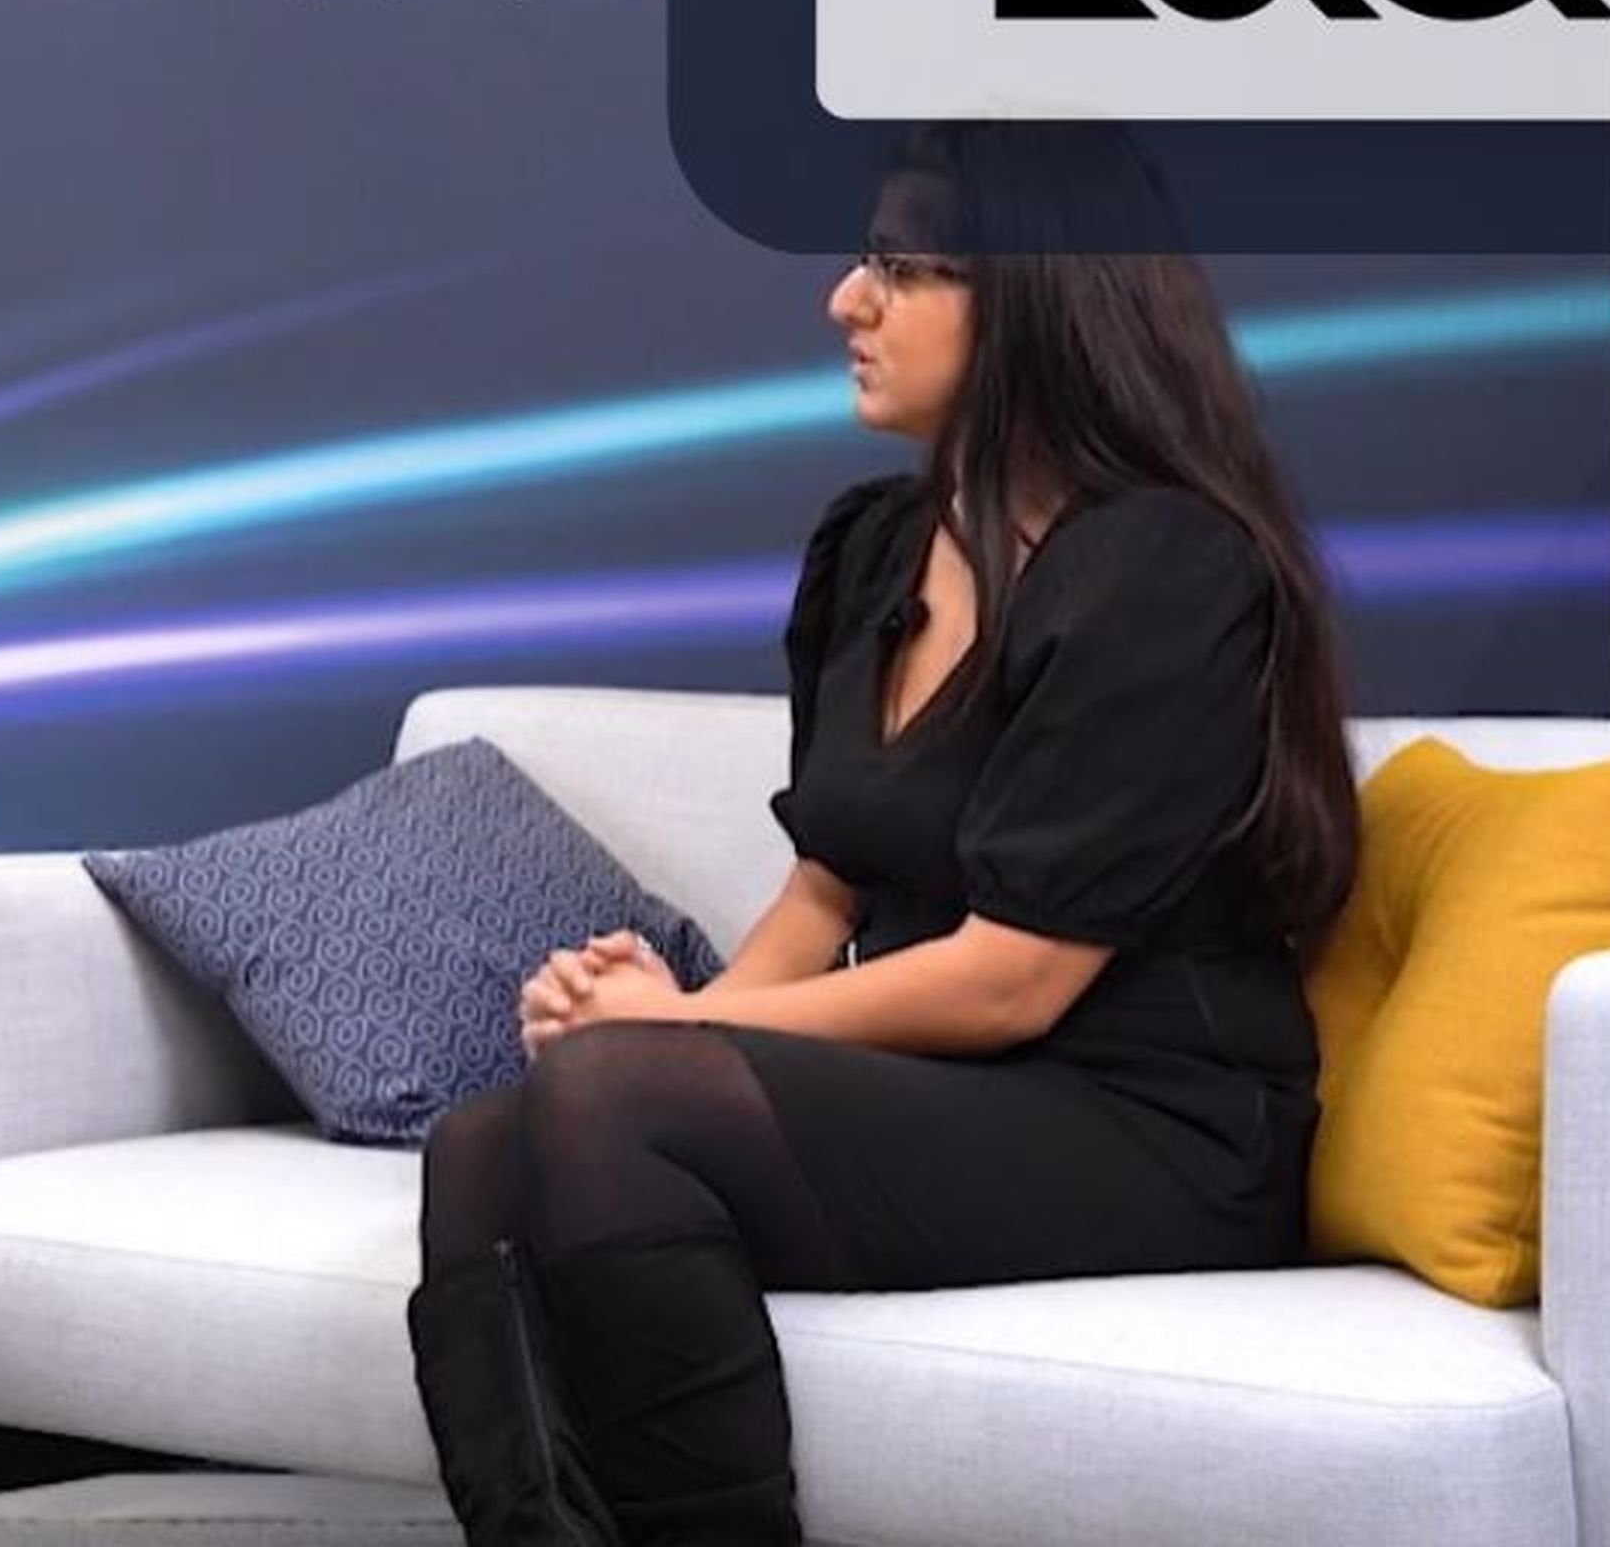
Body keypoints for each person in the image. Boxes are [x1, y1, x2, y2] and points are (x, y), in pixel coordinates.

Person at [409, 123, 1358, 1547]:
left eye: (904, 270)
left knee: (610, 1101)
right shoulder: (875, 551)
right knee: (486, 1144)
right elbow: (824, 891)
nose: (846, 300)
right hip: (956, 1092)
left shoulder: (1165, 567)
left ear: (1038, 295)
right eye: (867, 262)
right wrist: (664, 1027)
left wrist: (671, 1034)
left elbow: (1012, 981)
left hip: (1147, 1123)